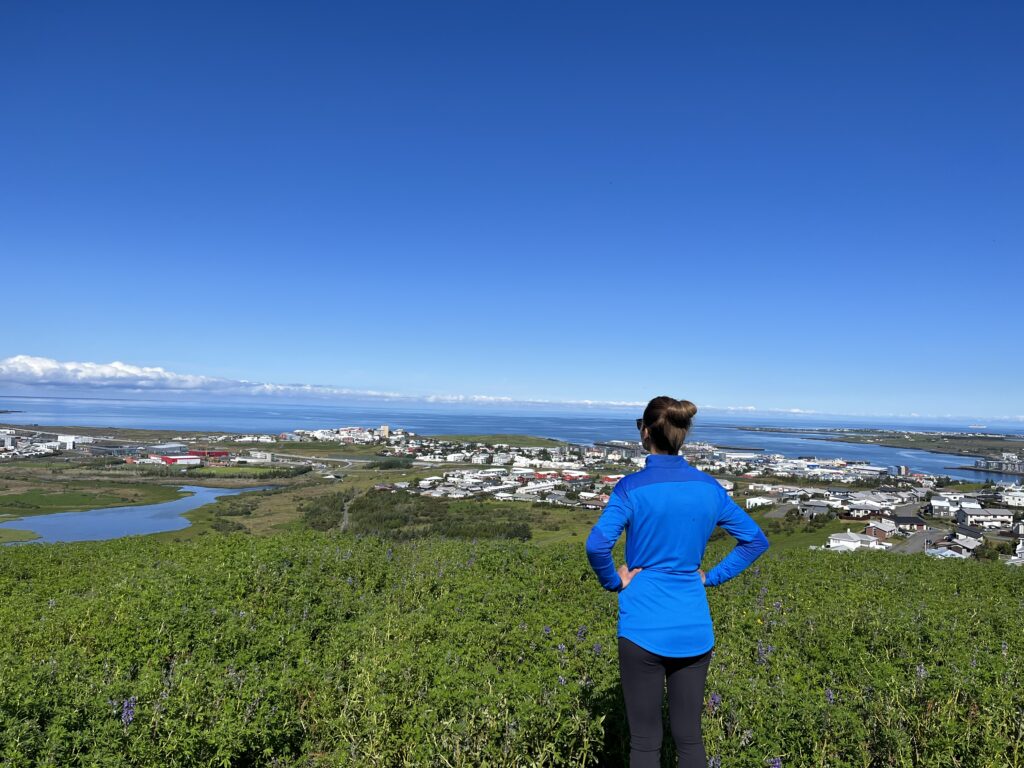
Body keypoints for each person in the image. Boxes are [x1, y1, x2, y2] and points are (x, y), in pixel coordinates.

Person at [585, 396, 769, 768]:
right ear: (682, 434)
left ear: (646, 431)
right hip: (694, 626)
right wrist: (711, 577)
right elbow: (755, 541)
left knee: (645, 744)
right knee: (689, 740)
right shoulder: (709, 488)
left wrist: (614, 580)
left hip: (642, 627)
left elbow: (597, 544)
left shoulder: (630, 488)